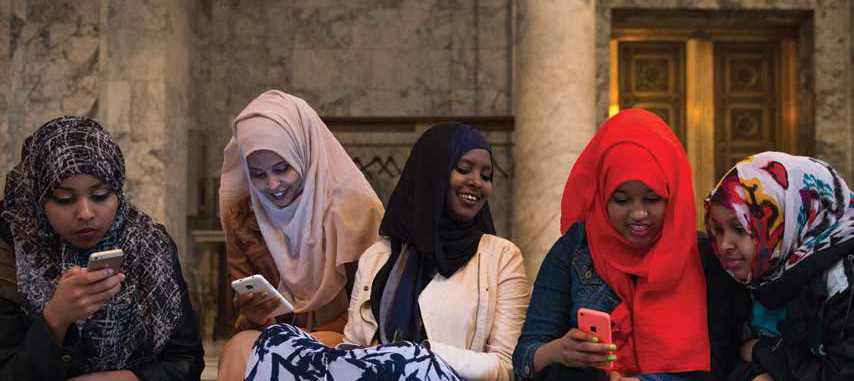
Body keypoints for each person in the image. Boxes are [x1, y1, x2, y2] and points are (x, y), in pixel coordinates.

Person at [243, 122, 530, 381]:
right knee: (276, 340)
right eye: (464, 169)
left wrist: (415, 355)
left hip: (443, 375)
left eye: (487, 175)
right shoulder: (378, 256)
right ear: (432, 174)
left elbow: (505, 366)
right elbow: (353, 348)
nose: (477, 182)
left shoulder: (502, 257)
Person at [512, 109, 711, 381]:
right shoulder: (575, 250)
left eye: (652, 200)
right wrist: (559, 351)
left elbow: (721, 364)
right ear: (602, 196)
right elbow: (524, 356)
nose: (638, 214)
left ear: (671, 197)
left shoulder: (701, 256)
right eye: (621, 200)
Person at [0, 116, 204, 381]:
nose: (85, 213)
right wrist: (56, 319)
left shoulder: (150, 244)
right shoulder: (10, 247)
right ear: (39, 199)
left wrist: (130, 378)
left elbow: (186, 361)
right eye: (64, 199)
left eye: (100, 195)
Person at [216, 91, 384, 380]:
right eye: (257, 174)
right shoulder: (242, 216)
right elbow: (243, 312)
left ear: (305, 153)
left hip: (346, 341)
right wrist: (253, 315)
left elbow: (373, 312)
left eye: (282, 169)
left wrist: (305, 338)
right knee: (238, 348)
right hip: (274, 341)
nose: (272, 185)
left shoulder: (356, 210)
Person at [704, 151, 854, 381]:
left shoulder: (843, 274)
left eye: (740, 228)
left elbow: (841, 373)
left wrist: (761, 352)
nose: (724, 245)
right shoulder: (742, 274)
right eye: (719, 230)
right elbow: (722, 362)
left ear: (788, 217)